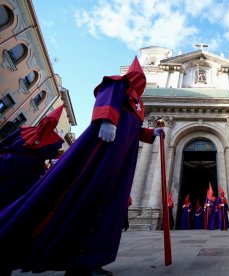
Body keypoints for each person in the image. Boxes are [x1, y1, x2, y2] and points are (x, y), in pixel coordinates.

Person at [0, 56, 163, 276]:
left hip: (122, 158)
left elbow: (134, 129)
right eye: (139, 77)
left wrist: (152, 133)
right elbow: (107, 98)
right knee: (87, 194)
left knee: (107, 202)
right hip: (104, 150)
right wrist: (107, 119)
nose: (141, 81)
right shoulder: (119, 83)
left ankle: (86, 259)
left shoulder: (138, 105)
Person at [0, 105, 65, 211]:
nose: (48, 122)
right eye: (47, 120)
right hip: (9, 162)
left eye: (51, 121)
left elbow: (52, 157)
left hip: (25, 171)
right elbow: (7, 142)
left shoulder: (55, 141)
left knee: (9, 193)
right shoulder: (24, 129)